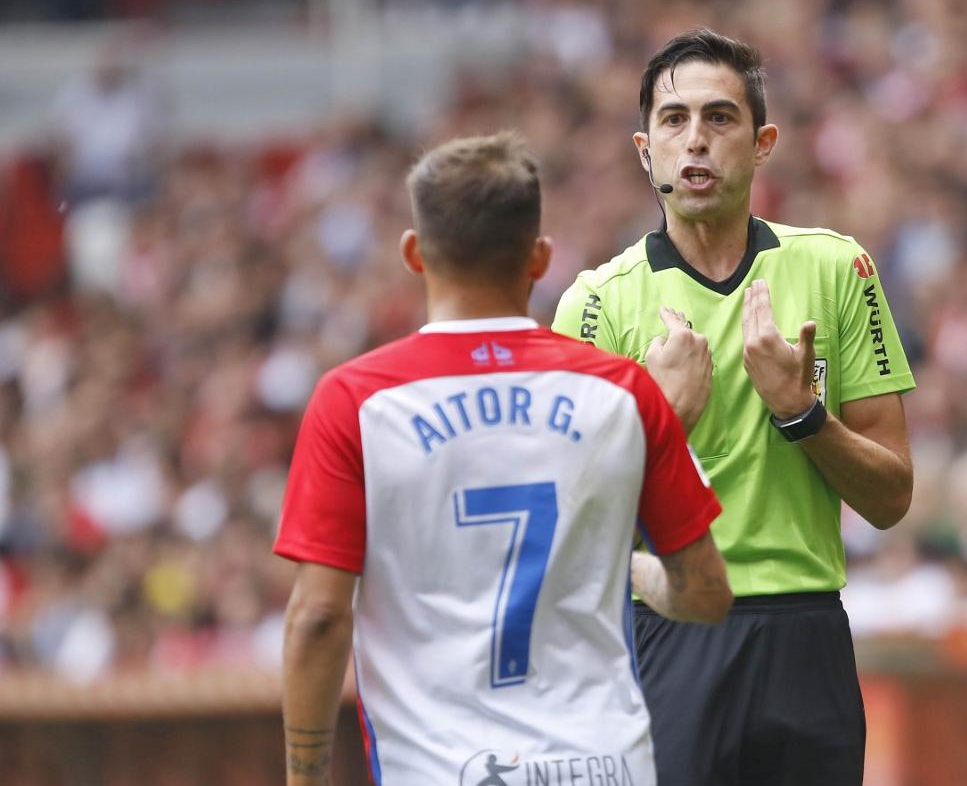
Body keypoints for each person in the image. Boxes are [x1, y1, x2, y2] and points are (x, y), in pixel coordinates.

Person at [275, 131, 732, 785]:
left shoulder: (357, 400)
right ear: (540, 257)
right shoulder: (624, 392)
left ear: (413, 253)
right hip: (603, 769)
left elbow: (318, 617)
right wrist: (622, 565)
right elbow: (705, 593)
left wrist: (305, 776)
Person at [552, 29, 916, 785]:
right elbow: (570, 531)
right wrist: (664, 423)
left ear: (762, 144)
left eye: (719, 118)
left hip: (807, 633)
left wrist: (802, 414)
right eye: (674, 119)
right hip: (667, 631)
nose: (696, 139)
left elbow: (891, 498)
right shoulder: (594, 305)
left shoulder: (839, 268)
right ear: (645, 150)